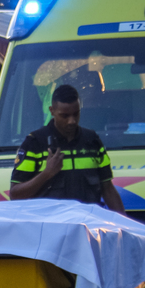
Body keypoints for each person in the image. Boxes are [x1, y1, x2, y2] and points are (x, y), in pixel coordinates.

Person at [9, 84, 125, 212]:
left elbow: (107, 188)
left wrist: (125, 225)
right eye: (65, 116)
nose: (72, 121)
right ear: (52, 111)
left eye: (76, 114)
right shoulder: (35, 143)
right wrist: (46, 174)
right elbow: (15, 195)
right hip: (52, 227)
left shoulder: (92, 141)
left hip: (88, 227)